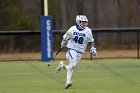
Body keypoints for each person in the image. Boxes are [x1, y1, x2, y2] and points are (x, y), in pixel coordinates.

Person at [56, 15, 97, 89]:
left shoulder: (88, 31)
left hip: (80, 52)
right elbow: (65, 37)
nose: (84, 24)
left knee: (71, 67)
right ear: (78, 22)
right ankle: (67, 82)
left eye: (85, 22)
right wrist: (63, 42)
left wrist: (93, 48)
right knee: (73, 64)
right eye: (83, 22)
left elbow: (91, 41)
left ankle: (62, 65)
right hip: (72, 49)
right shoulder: (72, 29)